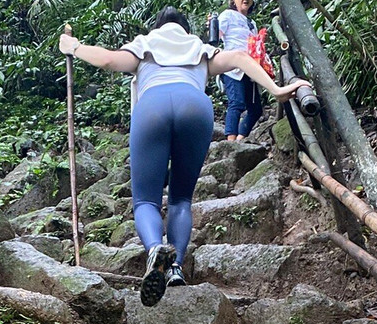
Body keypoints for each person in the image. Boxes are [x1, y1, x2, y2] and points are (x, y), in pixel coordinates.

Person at [59, 8, 309, 307]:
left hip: (153, 105)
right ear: (185, 29)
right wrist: (277, 90)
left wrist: (73, 47)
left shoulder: (146, 43)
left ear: (158, 27)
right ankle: (175, 266)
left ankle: (155, 249)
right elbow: (240, 58)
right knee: (180, 199)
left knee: (146, 201)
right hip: (195, 106)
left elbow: (109, 60)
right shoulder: (199, 48)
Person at [217, 0, 261, 142]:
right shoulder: (227, 15)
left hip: (249, 68)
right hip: (232, 68)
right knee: (236, 103)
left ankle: (240, 140)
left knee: (255, 109)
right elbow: (216, 35)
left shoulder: (251, 23)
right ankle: (230, 142)